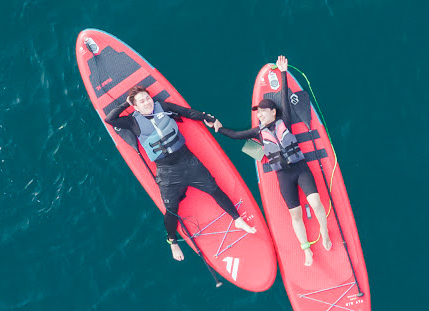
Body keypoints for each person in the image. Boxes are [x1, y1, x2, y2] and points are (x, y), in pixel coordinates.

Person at [105, 85, 256, 261]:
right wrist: (126, 104)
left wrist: (207, 117)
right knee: (171, 209)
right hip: (167, 171)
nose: (147, 102)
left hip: (188, 161)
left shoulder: (164, 107)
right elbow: (110, 119)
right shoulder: (132, 121)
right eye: (142, 101)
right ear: (136, 106)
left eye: (148, 98)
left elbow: (187, 112)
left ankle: (237, 218)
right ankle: (173, 241)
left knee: (214, 188)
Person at [211, 56, 331, 266]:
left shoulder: (284, 120)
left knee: (315, 202)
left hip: (301, 168)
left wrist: (283, 73)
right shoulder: (257, 132)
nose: (260, 116)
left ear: (273, 112)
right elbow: (237, 135)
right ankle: (306, 250)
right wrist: (219, 129)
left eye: (263, 113)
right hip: (283, 176)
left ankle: (325, 231)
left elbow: (284, 97)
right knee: (295, 215)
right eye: (258, 114)